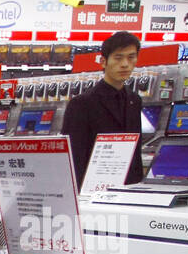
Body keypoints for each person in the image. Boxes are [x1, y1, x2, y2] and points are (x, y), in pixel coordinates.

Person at [61, 31, 145, 188]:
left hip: (129, 187)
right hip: (91, 191)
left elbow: (136, 151)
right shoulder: (82, 103)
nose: (125, 64)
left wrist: (138, 186)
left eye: (131, 57)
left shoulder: (134, 100)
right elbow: (74, 156)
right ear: (103, 61)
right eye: (118, 58)